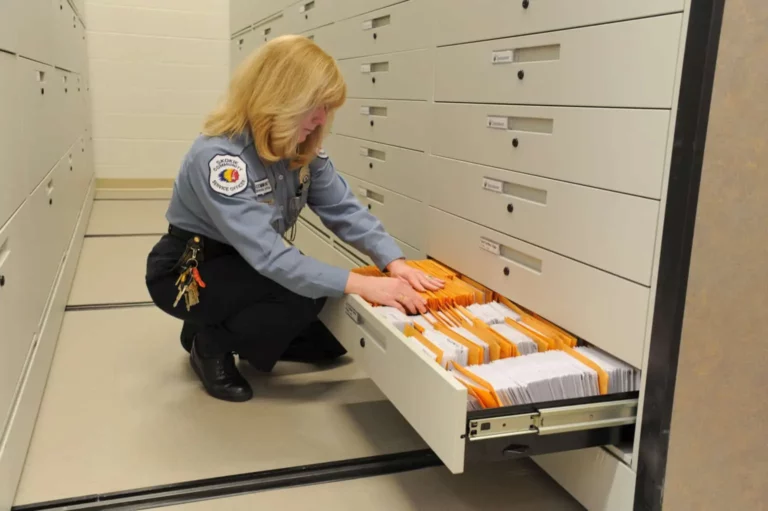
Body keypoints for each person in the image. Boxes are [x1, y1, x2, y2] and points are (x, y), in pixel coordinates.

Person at [144, 35, 443, 403]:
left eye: (326, 108)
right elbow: (269, 256)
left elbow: (344, 210)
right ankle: (209, 345)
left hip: (241, 265)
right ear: (280, 98)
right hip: (188, 269)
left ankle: (209, 321)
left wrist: (393, 261)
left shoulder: (301, 149)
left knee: (329, 342)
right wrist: (363, 284)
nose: (321, 118)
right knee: (299, 297)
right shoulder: (221, 159)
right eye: (314, 106)